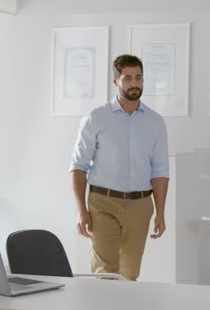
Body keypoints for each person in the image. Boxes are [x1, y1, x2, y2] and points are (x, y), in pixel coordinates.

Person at [70, 54, 169, 281]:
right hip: (103, 204)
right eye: (127, 78)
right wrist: (81, 209)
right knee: (106, 275)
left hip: (141, 206)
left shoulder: (155, 122)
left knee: (129, 276)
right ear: (115, 81)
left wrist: (160, 212)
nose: (134, 83)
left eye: (139, 78)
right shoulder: (95, 118)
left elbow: (160, 171)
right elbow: (78, 166)